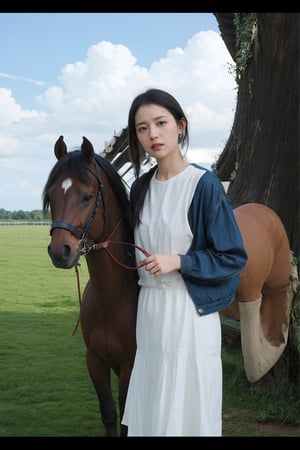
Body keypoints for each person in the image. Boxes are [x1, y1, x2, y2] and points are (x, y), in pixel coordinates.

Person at [121, 88, 248, 436]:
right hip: (150, 313)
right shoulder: (140, 189)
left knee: (185, 410)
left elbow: (232, 256)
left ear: (180, 126)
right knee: (153, 406)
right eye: (142, 128)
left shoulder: (203, 185)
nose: (153, 135)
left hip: (188, 313)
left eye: (161, 123)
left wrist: (180, 261)